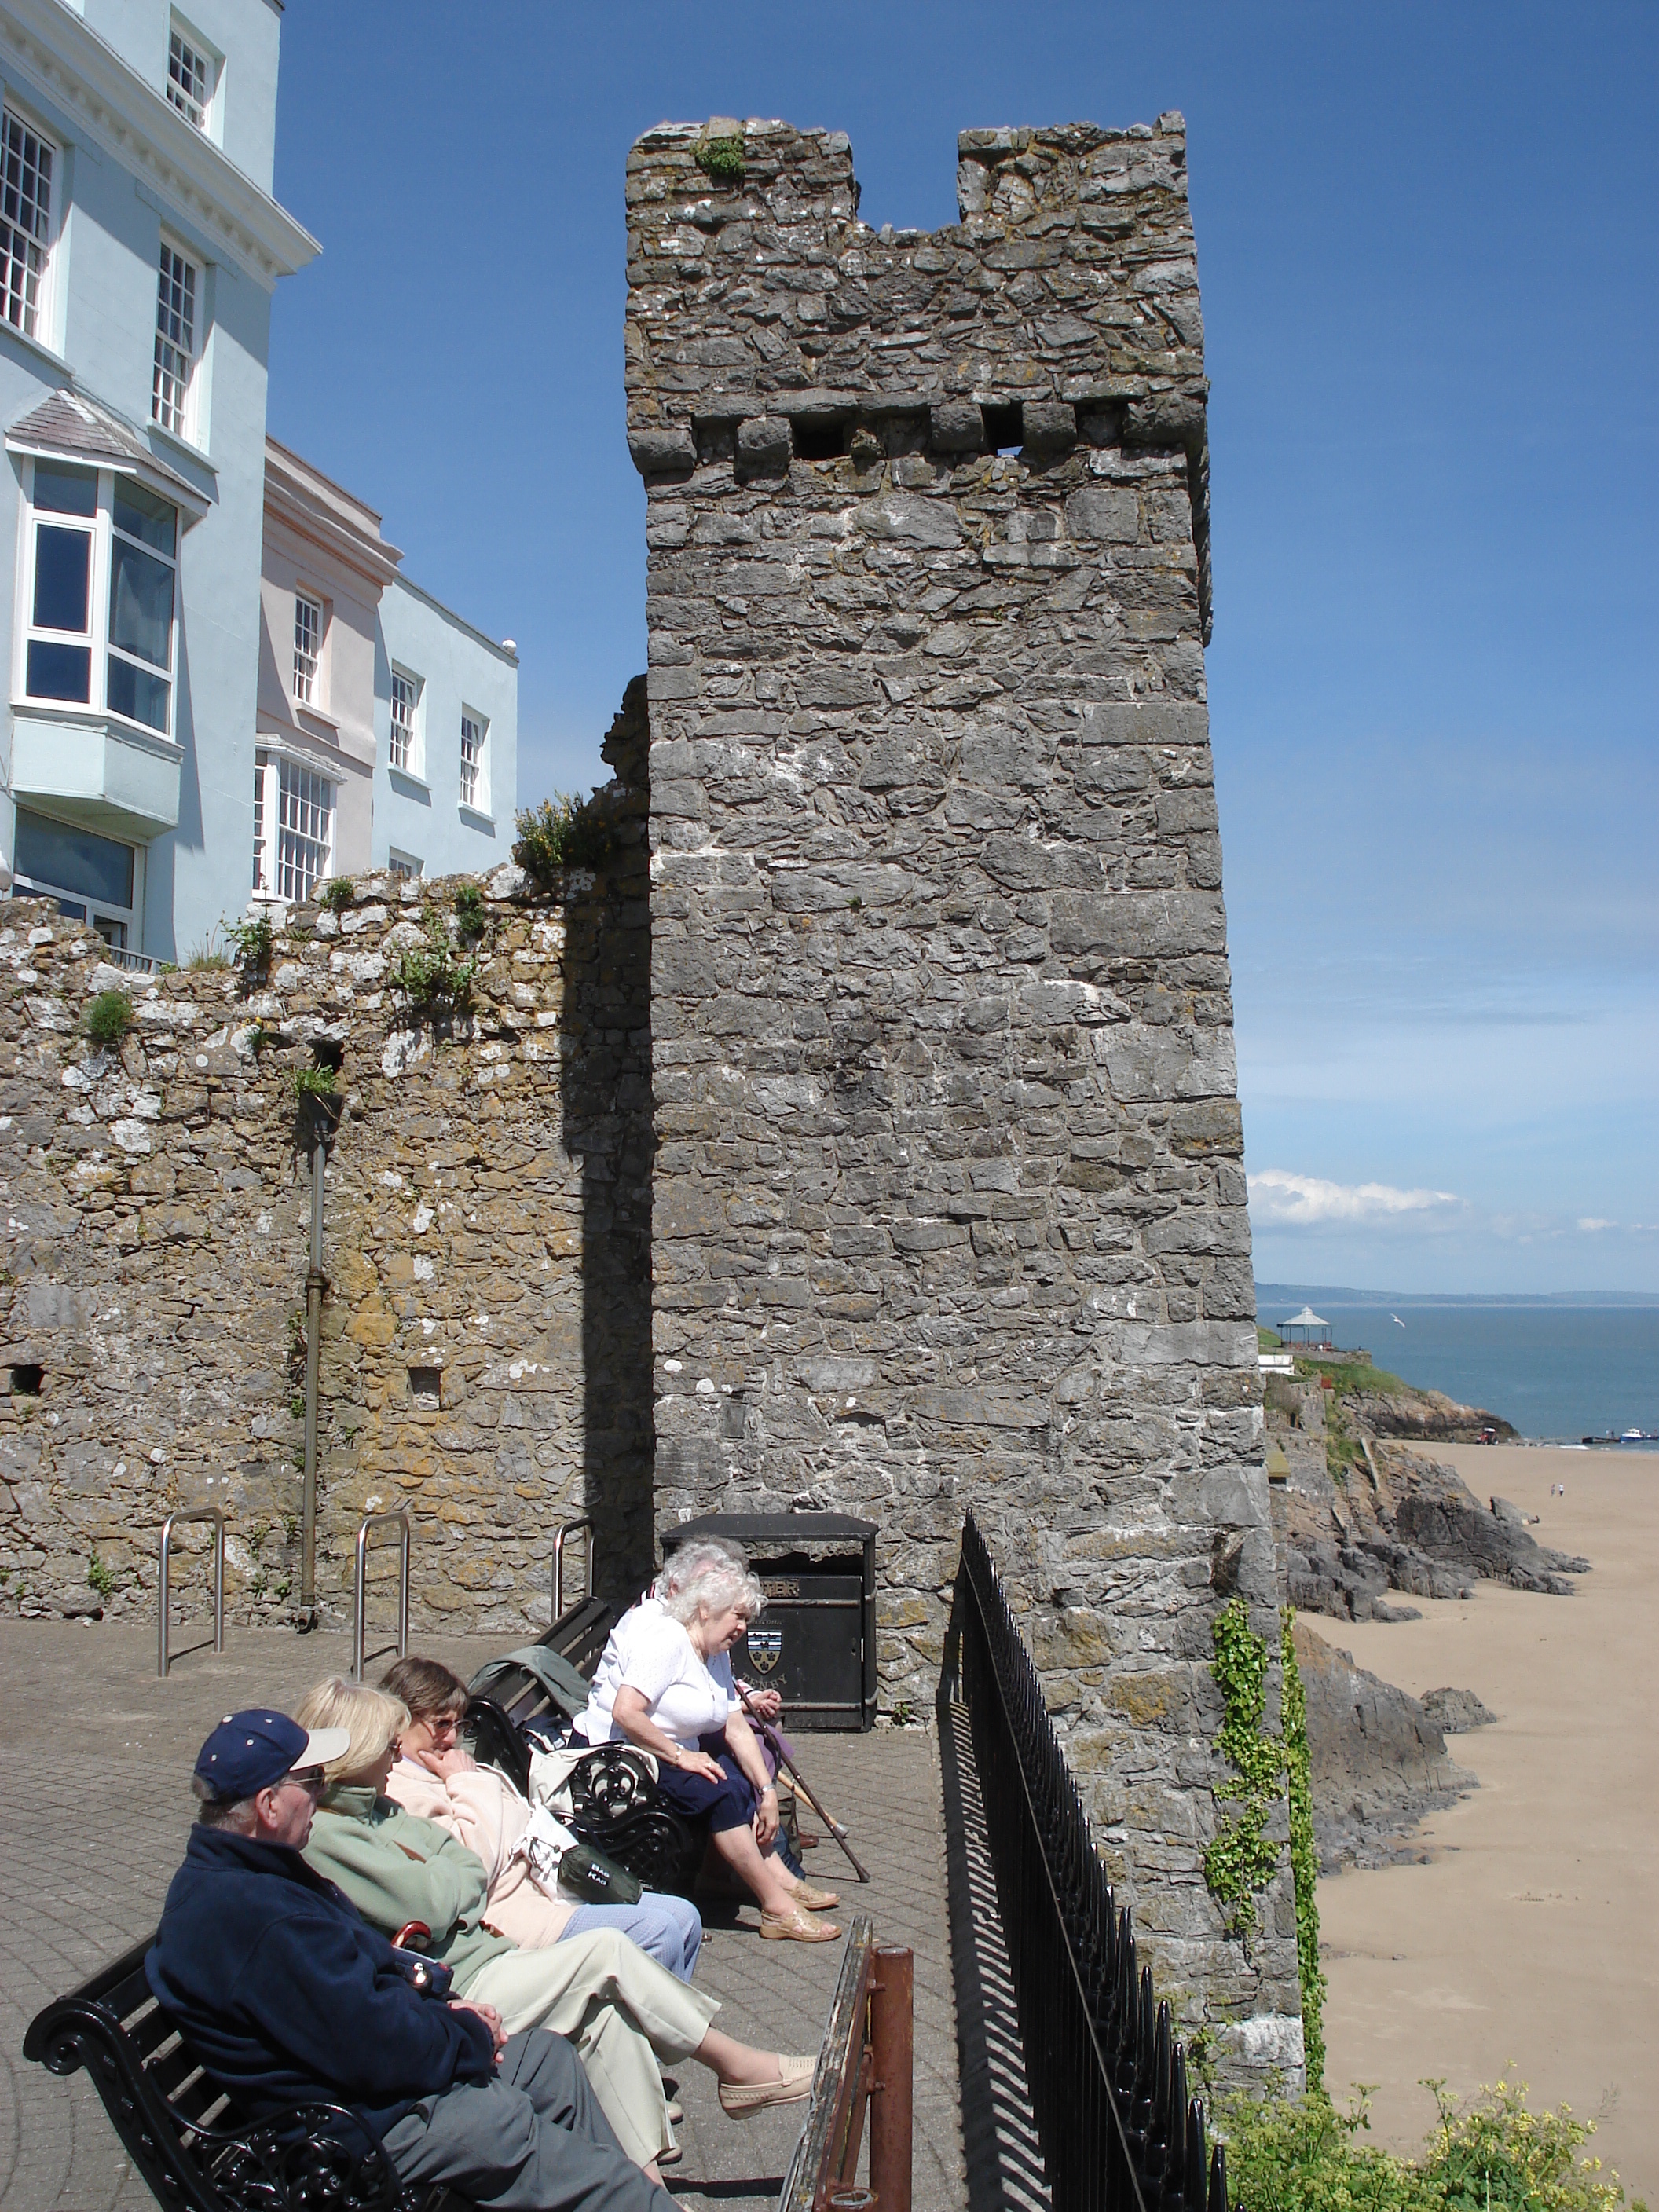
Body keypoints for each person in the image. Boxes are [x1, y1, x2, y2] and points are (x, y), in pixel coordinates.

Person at [146, 1706, 676, 2212]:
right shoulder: (254, 1918)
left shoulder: (258, 1872)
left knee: (546, 2061)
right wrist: (465, 2037)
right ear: (268, 1805)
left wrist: (448, 2006)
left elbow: (369, 1972)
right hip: (353, 2134)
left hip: (369, 2091)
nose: (321, 1792)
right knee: (511, 2127)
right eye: (310, 1782)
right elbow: (372, 2045)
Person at [295, 1678, 812, 2170]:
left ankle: (644, 2188)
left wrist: (456, 1865)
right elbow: (442, 1895)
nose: (395, 1755)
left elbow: (467, 1872)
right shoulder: (337, 1829)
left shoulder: (378, 1811)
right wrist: (460, 1837)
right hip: (457, 1984)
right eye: (386, 1745)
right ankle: (735, 2066)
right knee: (607, 1952)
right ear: (357, 1751)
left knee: (610, 2019)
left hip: (489, 1947)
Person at [379, 1654, 704, 1981]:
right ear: (401, 1720)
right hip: (515, 1914)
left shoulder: (443, 1767)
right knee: (658, 1931)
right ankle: (651, 2028)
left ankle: (662, 2024)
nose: (451, 1739)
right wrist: (468, 1782)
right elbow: (474, 1863)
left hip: (552, 1887)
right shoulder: (403, 1788)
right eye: (440, 1724)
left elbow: (512, 1821)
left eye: (457, 1725)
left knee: (685, 1917)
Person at [576, 1554, 840, 1943]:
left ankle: (729, 1879)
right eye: (737, 1616)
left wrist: (767, 1791)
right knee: (720, 1793)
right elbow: (626, 1713)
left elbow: (735, 1725)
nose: (742, 1628)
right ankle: (776, 1908)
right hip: (630, 1757)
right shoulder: (668, 1641)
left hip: (669, 1753)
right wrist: (681, 1756)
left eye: (747, 1620)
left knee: (735, 1779)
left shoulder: (715, 1653)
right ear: (704, 1609)